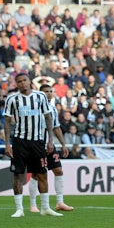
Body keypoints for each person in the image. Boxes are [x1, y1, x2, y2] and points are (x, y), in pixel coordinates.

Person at [3, 73, 61, 217]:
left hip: (37, 141)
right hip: (19, 141)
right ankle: (19, 209)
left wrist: (50, 140)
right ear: (16, 84)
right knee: (18, 175)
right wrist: (7, 144)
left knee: (42, 174)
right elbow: (7, 121)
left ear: (30, 82)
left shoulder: (40, 97)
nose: (22, 83)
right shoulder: (12, 99)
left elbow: (48, 117)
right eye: (19, 81)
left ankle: (45, 208)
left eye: (24, 80)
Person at [27, 83, 72, 213]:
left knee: (58, 170)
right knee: (36, 174)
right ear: (40, 94)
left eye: (50, 91)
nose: (49, 93)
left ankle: (60, 202)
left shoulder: (52, 109)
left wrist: (63, 144)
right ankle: (33, 205)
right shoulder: (34, 109)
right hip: (37, 145)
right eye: (46, 91)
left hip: (50, 145)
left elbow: (56, 127)